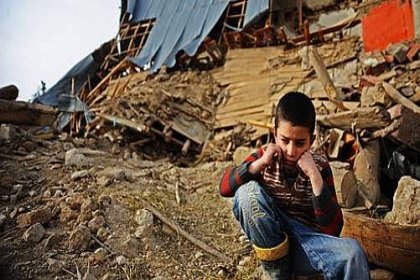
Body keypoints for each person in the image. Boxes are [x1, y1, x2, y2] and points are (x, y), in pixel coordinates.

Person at [219, 92, 370, 280]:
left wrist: (314, 176)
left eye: (300, 143)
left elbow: (333, 230)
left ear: (312, 140)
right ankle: (278, 275)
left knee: (353, 253)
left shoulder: (319, 166)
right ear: (275, 134)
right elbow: (225, 188)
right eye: (284, 140)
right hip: (272, 241)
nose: (291, 151)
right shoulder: (264, 157)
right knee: (246, 193)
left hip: (307, 245)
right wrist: (259, 164)